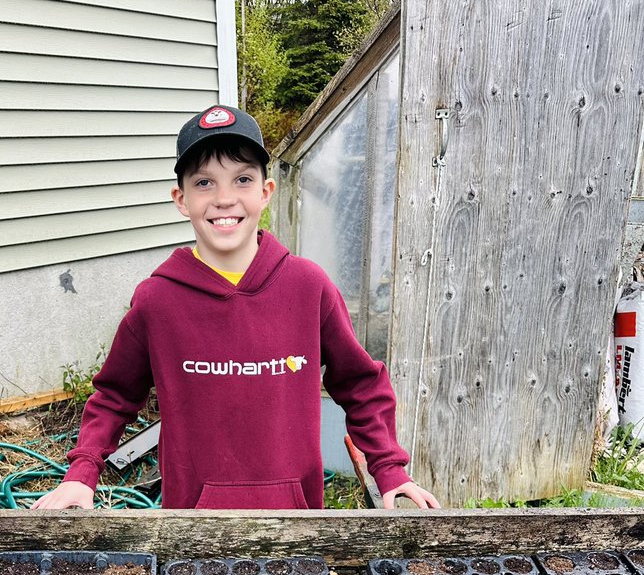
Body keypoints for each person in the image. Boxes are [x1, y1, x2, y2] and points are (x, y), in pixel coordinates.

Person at [33, 105, 439, 512]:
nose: (224, 199)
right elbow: (114, 396)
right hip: (192, 531)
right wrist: (81, 475)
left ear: (265, 192)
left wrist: (391, 472)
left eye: (242, 179)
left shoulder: (308, 287)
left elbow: (362, 386)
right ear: (182, 199)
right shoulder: (158, 301)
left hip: (295, 528)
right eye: (205, 183)